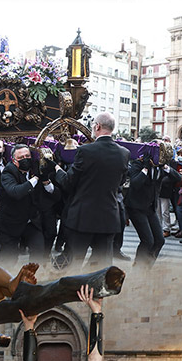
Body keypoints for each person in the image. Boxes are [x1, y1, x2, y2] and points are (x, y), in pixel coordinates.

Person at [58, 114, 129, 266]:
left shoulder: (85, 151)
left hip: (83, 217)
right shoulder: (124, 153)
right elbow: (121, 182)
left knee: (72, 265)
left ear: (97, 126)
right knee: (100, 267)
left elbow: (68, 182)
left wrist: (56, 169)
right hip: (108, 217)